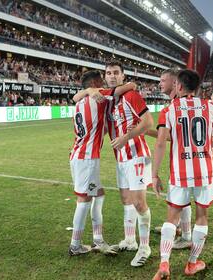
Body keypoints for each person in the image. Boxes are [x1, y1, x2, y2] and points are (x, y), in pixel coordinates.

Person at [152, 70, 213, 279]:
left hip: (179, 172)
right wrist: (209, 143)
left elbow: (160, 143)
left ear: (178, 86)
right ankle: (192, 264)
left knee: (171, 218)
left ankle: (165, 263)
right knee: (202, 217)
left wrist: (154, 174)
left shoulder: (169, 110)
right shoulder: (211, 107)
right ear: (198, 88)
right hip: (205, 173)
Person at [68, 70, 135, 256]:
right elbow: (125, 88)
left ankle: (98, 239)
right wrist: (131, 85)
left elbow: (76, 98)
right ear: (96, 83)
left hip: (80, 155)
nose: (104, 83)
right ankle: (75, 245)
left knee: (99, 194)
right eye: (101, 81)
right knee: (84, 200)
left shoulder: (81, 102)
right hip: (87, 159)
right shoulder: (98, 96)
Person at [105, 61, 154, 267]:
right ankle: (130, 240)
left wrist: (126, 137)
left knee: (139, 202)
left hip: (137, 156)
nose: (112, 76)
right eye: (109, 73)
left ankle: (145, 247)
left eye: (116, 73)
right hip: (121, 158)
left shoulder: (131, 96)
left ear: (123, 76)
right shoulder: (110, 101)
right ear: (105, 77)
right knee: (126, 200)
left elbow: (148, 122)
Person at [147, 68, 192, 250]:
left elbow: (171, 138)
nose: (160, 83)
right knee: (183, 197)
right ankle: (180, 229)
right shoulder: (179, 103)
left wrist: (143, 130)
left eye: (163, 80)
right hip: (188, 159)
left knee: (180, 197)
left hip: (185, 161)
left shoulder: (176, 106)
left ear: (175, 83)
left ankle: (185, 234)